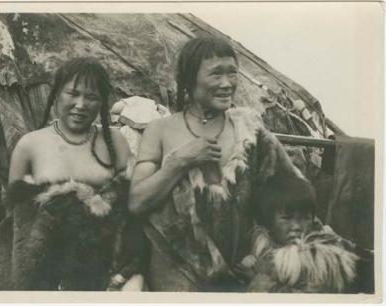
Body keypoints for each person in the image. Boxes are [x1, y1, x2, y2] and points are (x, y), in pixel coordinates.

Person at [128, 36, 305, 291]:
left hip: (243, 271)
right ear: (189, 80)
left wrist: (265, 258)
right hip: (177, 273)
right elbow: (137, 202)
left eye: (232, 73)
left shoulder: (249, 129)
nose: (227, 84)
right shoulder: (160, 130)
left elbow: (291, 193)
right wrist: (180, 161)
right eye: (215, 74)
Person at [0, 57, 145, 291]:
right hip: (46, 274)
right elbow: (17, 221)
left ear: (101, 103)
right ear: (57, 93)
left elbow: (129, 211)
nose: (81, 104)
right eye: (73, 93)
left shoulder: (115, 142)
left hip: (104, 271)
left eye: (91, 97)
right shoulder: (30, 145)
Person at [245, 174, 360, 293]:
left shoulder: (323, 262)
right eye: (286, 218)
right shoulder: (259, 260)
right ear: (269, 222)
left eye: (305, 218)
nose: (296, 227)